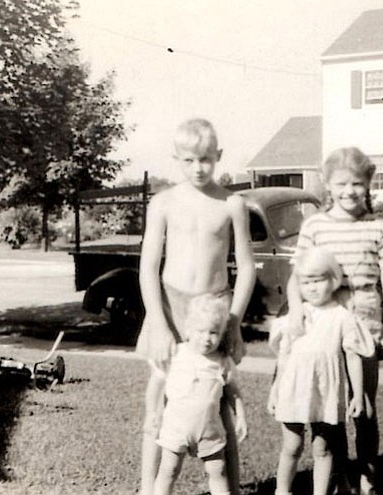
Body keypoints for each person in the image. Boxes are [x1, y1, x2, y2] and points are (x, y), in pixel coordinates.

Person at [135, 117, 256, 495]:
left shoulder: (232, 204)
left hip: (216, 310)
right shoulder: (164, 202)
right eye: (189, 160)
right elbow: (148, 268)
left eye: (205, 159)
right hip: (171, 308)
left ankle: (229, 488)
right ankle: (147, 487)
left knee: (216, 400)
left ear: (218, 156)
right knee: (161, 397)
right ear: (176, 159)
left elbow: (248, 268)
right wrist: (157, 323)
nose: (198, 167)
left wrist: (233, 322)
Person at [286, 147, 383, 495]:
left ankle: (368, 475)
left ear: (368, 184)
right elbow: (298, 276)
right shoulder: (314, 226)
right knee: (329, 408)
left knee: (364, 407)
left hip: (365, 324)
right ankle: (338, 475)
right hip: (323, 327)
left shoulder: (378, 227)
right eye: (341, 183)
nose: (349, 191)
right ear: (327, 184)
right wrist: (296, 313)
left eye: (357, 183)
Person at [269, 247, 375, 495]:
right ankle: (282, 490)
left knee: (322, 448)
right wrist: (275, 389)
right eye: (306, 282)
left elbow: (352, 356)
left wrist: (357, 395)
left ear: (334, 280)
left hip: (326, 390)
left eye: (319, 280)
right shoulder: (295, 316)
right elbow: (284, 357)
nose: (313, 287)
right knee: (292, 445)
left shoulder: (342, 317)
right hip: (294, 388)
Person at [153, 294, 247, 495]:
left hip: (209, 429)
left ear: (221, 334)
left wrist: (241, 417)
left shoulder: (222, 361)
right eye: (201, 331)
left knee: (218, 471)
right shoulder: (177, 354)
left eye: (214, 332)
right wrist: (154, 413)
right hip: (175, 427)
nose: (207, 338)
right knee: (168, 470)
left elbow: (233, 392)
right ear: (188, 329)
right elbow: (158, 384)